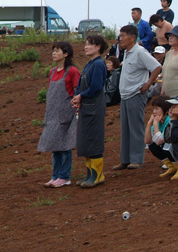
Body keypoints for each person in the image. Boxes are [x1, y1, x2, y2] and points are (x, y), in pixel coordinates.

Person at [114, 24, 162, 171]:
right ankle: (126, 159)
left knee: (135, 127)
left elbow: (157, 67)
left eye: (123, 36)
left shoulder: (140, 51)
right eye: (120, 36)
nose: (120, 39)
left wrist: (148, 84)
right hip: (126, 95)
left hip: (135, 94)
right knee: (126, 128)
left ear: (133, 37)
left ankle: (136, 159)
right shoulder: (127, 52)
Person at [39, 42, 80, 188]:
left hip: (65, 113)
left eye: (57, 51)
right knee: (54, 145)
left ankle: (65, 176)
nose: (53, 54)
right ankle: (55, 175)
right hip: (52, 113)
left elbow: (78, 90)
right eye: (53, 51)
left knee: (64, 145)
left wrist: (77, 108)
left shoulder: (72, 71)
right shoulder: (52, 72)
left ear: (66, 54)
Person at [71, 35, 108, 188]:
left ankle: (98, 175)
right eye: (85, 44)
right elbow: (80, 84)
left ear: (98, 47)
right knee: (86, 140)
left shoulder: (99, 64)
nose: (86, 47)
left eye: (89, 44)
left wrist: (81, 95)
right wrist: (77, 96)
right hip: (86, 105)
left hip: (94, 106)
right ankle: (89, 174)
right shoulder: (89, 64)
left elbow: (96, 87)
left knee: (93, 139)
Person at [145, 96, 178, 179]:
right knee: (152, 146)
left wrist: (155, 123)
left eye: (157, 109)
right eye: (153, 109)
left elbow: (160, 140)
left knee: (166, 145)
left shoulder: (169, 119)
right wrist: (149, 123)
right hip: (169, 143)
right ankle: (172, 166)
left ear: (165, 109)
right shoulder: (159, 122)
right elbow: (147, 141)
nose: (154, 112)